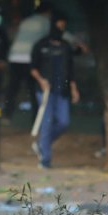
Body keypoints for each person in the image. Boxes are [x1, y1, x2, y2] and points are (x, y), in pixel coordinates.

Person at [30, 12, 80, 169]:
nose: (61, 28)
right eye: (59, 25)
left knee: (64, 122)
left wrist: (73, 89)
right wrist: (42, 81)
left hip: (62, 90)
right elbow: (33, 68)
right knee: (47, 122)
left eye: (63, 26)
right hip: (44, 91)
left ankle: (42, 144)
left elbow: (70, 70)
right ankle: (45, 160)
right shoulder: (40, 45)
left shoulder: (66, 46)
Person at [3, 2, 53, 121]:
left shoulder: (26, 21)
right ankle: (35, 120)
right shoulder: (46, 22)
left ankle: (7, 115)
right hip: (29, 58)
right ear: (47, 12)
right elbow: (56, 35)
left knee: (13, 88)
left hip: (14, 57)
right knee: (33, 89)